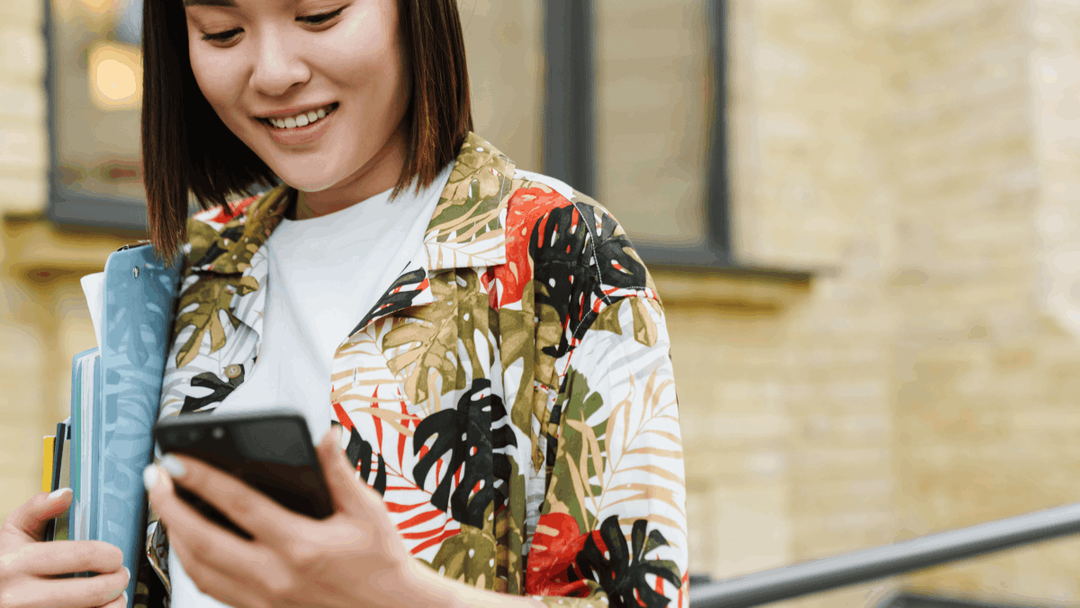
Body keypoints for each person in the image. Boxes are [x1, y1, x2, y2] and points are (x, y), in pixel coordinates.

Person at [0, 0, 689, 607]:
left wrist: (399, 598)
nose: (273, 72)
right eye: (221, 32)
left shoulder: (556, 253)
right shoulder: (185, 273)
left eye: (319, 15)